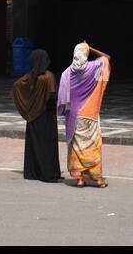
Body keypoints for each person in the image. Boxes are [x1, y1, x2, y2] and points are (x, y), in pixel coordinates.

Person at [57, 41, 111, 188]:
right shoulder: (93, 68)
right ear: (86, 54)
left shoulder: (66, 73)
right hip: (90, 114)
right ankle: (98, 179)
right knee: (93, 145)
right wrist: (91, 48)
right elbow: (107, 58)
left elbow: (62, 99)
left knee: (76, 146)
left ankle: (79, 178)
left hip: (73, 116)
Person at [10, 49, 61, 183]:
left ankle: (33, 172)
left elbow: (16, 86)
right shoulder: (48, 76)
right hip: (47, 117)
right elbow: (52, 96)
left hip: (33, 116)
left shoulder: (30, 75)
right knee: (47, 146)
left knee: (34, 145)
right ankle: (48, 173)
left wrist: (28, 103)